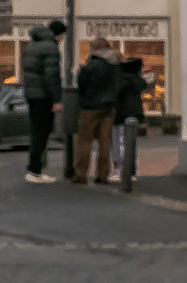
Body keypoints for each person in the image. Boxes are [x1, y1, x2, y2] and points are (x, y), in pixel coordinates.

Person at [21, 18, 66, 183]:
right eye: (62, 36)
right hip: (43, 96)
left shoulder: (32, 45)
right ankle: (34, 170)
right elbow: (51, 76)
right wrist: (57, 99)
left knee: (36, 131)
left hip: (32, 94)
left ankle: (35, 169)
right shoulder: (50, 48)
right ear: (58, 34)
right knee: (42, 132)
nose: (62, 39)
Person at [73, 38, 120, 184]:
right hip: (109, 106)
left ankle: (81, 174)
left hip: (90, 106)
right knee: (105, 141)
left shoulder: (91, 65)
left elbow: (81, 84)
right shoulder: (115, 64)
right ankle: (102, 175)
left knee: (85, 141)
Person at [111, 56, 150, 182]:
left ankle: (120, 170)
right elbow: (143, 85)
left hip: (119, 113)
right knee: (130, 143)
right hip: (133, 115)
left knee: (118, 143)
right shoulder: (137, 81)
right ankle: (131, 171)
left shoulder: (120, 80)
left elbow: (115, 94)